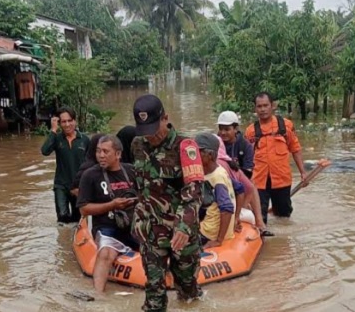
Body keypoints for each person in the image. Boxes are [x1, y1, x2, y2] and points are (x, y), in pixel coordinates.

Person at [130, 94, 204, 311]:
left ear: (166, 118)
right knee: (154, 293)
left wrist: (183, 226)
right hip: (150, 230)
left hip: (180, 232)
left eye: (154, 129)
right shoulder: (137, 144)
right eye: (145, 131)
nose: (150, 136)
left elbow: (194, 192)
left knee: (187, 290)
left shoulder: (185, 147)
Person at [77, 135, 138, 294]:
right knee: (105, 254)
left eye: (105, 151)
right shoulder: (89, 175)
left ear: (118, 154)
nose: (101, 155)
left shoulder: (132, 171)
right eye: (98, 151)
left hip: (133, 224)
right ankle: (98, 297)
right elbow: (84, 209)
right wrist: (111, 205)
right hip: (107, 226)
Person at [244, 92, 306, 224]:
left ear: (272, 106)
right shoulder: (250, 132)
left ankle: (283, 244)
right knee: (259, 217)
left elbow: (295, 149)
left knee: (284, 216)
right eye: (259, 106)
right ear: (255, 108)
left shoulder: (285, 126)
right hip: (259, 181)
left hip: (281, 179)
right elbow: (246, 159)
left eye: (265, 105)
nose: (262, 109)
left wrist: (303, 173)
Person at [41, 106, 90, 224]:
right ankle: (62, 241)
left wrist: (85, 187)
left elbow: (90, 165)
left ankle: (70, 241)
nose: (67, 124)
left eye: (70, 120)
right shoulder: (57, 139)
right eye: (63, 121)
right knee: (62, 219)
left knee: (77, 221)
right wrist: (53, 130)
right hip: (61, 185)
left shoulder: (85, 140)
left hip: (78, 186)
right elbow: (45, 151)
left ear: (75, 121)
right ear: (59, 123)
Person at [213, 134, 269, 235]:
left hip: (228, 211)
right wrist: (242, 208)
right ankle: (259, 222)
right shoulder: (230, 164)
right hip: (238, 210)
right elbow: (248, 187)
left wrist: (237, 214)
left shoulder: (218, 167)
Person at [195, 133, 238, 248]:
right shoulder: (220, 171)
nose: (193, 156)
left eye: (197, 152)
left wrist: (219, 240)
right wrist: (237, 219)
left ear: (209, 155)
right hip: (210, 227)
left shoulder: (216, 178)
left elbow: (227, 209)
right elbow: (240, 188)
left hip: (209, 233)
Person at [217, 111, 255, 179]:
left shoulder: (245, 146)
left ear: (236, 129)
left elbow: (248, 172)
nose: (223, 133)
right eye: (220, 129)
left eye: (226, 129)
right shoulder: (215, 144)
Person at [71, 133, 106, 198]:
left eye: (106, 151)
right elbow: (74, 189)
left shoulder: (110, 166)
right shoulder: (87, 167)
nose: (102, 155)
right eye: (99, 150)